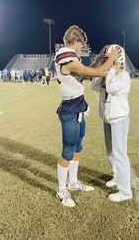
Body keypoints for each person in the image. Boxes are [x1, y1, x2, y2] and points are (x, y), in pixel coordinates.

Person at [54, 25, 119, 207]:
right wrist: (111, 58)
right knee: (68, 150)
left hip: (78, 107)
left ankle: (73, 182)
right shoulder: (66, 57)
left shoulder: (70, 58)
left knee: (77, 147)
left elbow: (86, 71)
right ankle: (61, 190)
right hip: (70, 109)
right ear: (75, 41)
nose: (81, 47)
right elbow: (97, 73)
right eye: (81, 44)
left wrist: (99, 57)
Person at [91, 44, 132, 202]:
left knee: (120, 153)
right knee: (110, 152)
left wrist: (111, 71)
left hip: (119, 119)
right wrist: (101, 72)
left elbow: (111, 87)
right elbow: (94, 86)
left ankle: (126, 191)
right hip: (108, 118)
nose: (106, 62)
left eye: (109, 59)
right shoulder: (110, 74)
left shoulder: (123, 76)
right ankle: (117, 176)